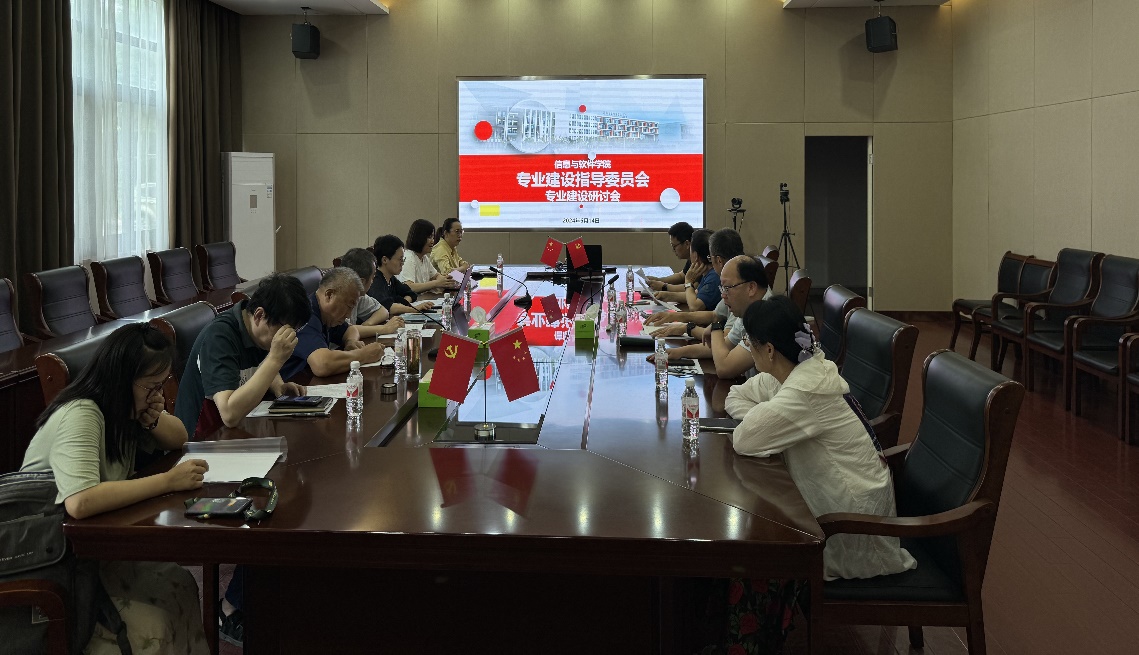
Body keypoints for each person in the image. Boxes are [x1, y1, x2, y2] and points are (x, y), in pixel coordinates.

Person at [21, 324, 210, 654]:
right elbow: (80, 501)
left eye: (161, 385)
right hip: (52, 561)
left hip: (90, 551)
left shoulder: (122, 412)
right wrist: (167, 481)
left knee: (179, 584)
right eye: (151, 387)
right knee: (156, 622)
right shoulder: (82, 413)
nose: (157, 395)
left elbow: (179, 437)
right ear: (122, 380)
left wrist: (152, 417)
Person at [727, 295, 916, 581]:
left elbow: (744, 440)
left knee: (749, 558)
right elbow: (736, 395)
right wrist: (765, 415)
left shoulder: (805, 390)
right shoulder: (799, 368)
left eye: (749, 344)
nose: (749, 351)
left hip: (852, 531)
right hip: (840, 512)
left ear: (769, 350)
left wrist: (764, 418)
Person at [649, 254, 770, 380]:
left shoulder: (765, 318)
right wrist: (680, 352)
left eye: (727, 288)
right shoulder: (750, 307)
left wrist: (715, 328)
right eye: (722, 288)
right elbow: (726, 345)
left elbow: (724, 368)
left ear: (751, 288)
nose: (723, 295)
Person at [281, 267, 386, 380]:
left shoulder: (327, 315)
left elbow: (351, 329)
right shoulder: (306, 315)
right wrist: (363, 355)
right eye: (349, 306)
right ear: (329, 295)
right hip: (288, 384)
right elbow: (322, 364)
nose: (349, 315)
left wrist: (351, 342)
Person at [644, 227, 748, 337]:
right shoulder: (730, 279)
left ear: (719, 260)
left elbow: (696, 307)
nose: (723, 294)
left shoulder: (720, 279)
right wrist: (672, 314)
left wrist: (687, 328)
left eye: (710, 257)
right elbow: (714, 315)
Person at [340, 247, 404, 339]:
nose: (373, 281)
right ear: (361, 282)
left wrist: (367, 325)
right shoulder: (338, 299)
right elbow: (345, 331)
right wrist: (385, 329)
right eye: (373, 277)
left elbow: (383, 311)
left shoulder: (358, 294)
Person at [369, 234, 435, 316]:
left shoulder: (391, 279)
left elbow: (411, 293)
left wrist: (403, 304)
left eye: (403, 259)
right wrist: (413, 309)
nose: (402, 263)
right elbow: (387, 307)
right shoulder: (375, 280)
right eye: (400, 259)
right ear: (385, 260)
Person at [400, 219, 460, 294]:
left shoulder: (424, 258)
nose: (432, 241)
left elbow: (436, 275)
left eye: (433, 237)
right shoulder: (409, 258)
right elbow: (408, 287)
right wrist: (436, 283)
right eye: (429, 237)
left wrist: (445, 280)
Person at [645, 221, 693, 291]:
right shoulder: (691, 258)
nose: (673, 250)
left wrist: (664, 287)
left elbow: (693, 288)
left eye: (674, 246)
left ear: (687, 244)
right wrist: (658, 280)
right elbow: (681, 276)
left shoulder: (699, 259)